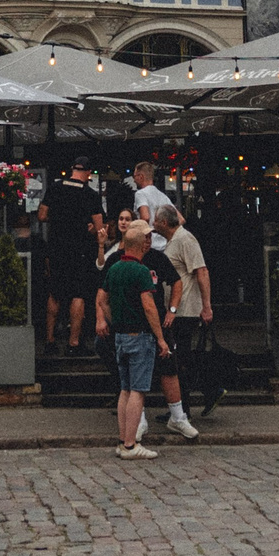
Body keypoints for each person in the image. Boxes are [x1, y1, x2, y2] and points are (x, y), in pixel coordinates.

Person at [95, 220, 169, 459]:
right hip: (140, 335)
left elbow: (102, 299)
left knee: (124, 389)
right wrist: (160, 338)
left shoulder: (115, 268)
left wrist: (113, 319)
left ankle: (122, 440)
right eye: (146, 238)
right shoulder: (141, 271)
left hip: (121, 335)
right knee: (138, 390)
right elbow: (149, 306)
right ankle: (130, 444)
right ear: (139, 245)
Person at [148, 205, 210, 436]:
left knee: (179, 360)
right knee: (176, 359)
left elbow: (201, 271)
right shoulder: (173, 239)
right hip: (173, 310)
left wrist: (206, 306)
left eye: (156, 220)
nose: (153, 224)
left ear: (164, 222)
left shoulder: (185, 239)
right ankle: (178, 410)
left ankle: (183, 410)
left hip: (184, 309)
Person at [42, 158, 101, 356]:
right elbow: (99, 227)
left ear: (72, 170)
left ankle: (49, 341)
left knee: (55, 294)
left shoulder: (54, 188)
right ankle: (74, 343)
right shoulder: (90, 194)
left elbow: (42, 215)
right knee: (79, 295)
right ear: (87, 173)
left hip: (56, 248)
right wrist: (91, 229)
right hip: (80, 250)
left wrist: (59, 219)